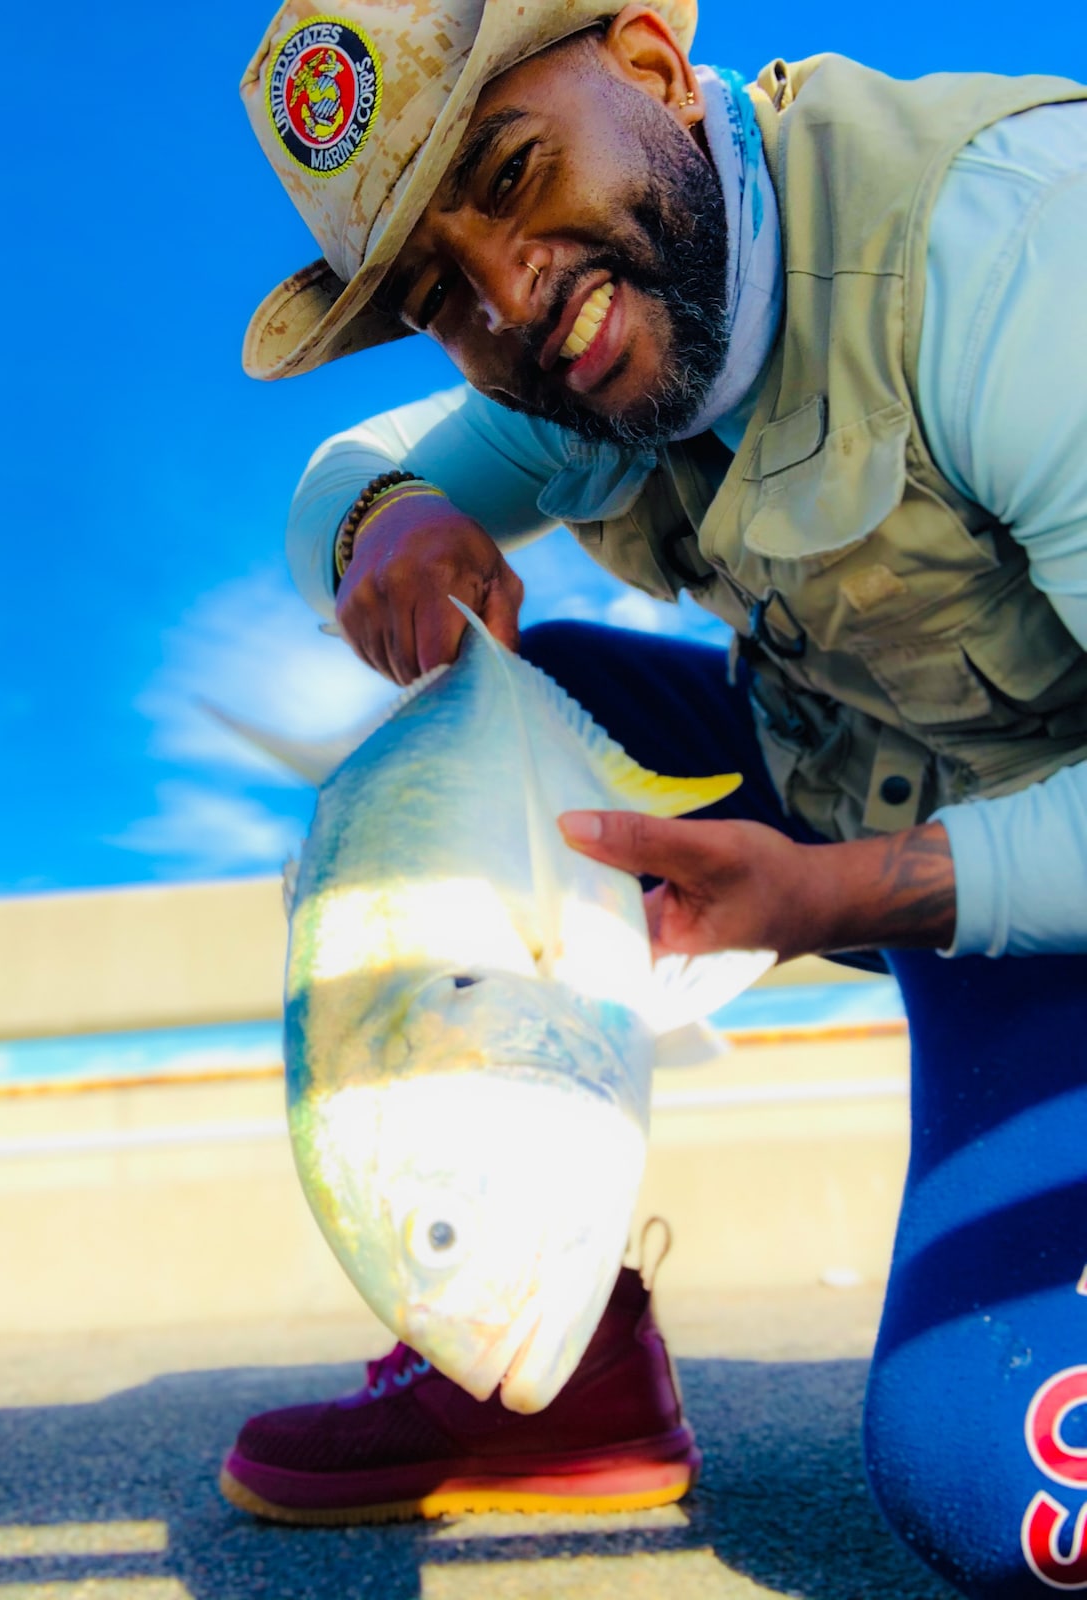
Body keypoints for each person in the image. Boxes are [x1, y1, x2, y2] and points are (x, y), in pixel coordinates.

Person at [219, 1, 1087, 1591]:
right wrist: (392, 529)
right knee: (499, 735)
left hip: (1013, 875)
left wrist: (849, 892)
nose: (507, 301)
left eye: (509, 169)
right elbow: (337, 475)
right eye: (434, 294)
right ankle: (552, 1353)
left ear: (650, 62)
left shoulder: (1021, 263)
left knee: (1005, 1483)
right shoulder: (590, 355)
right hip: (892, 789)